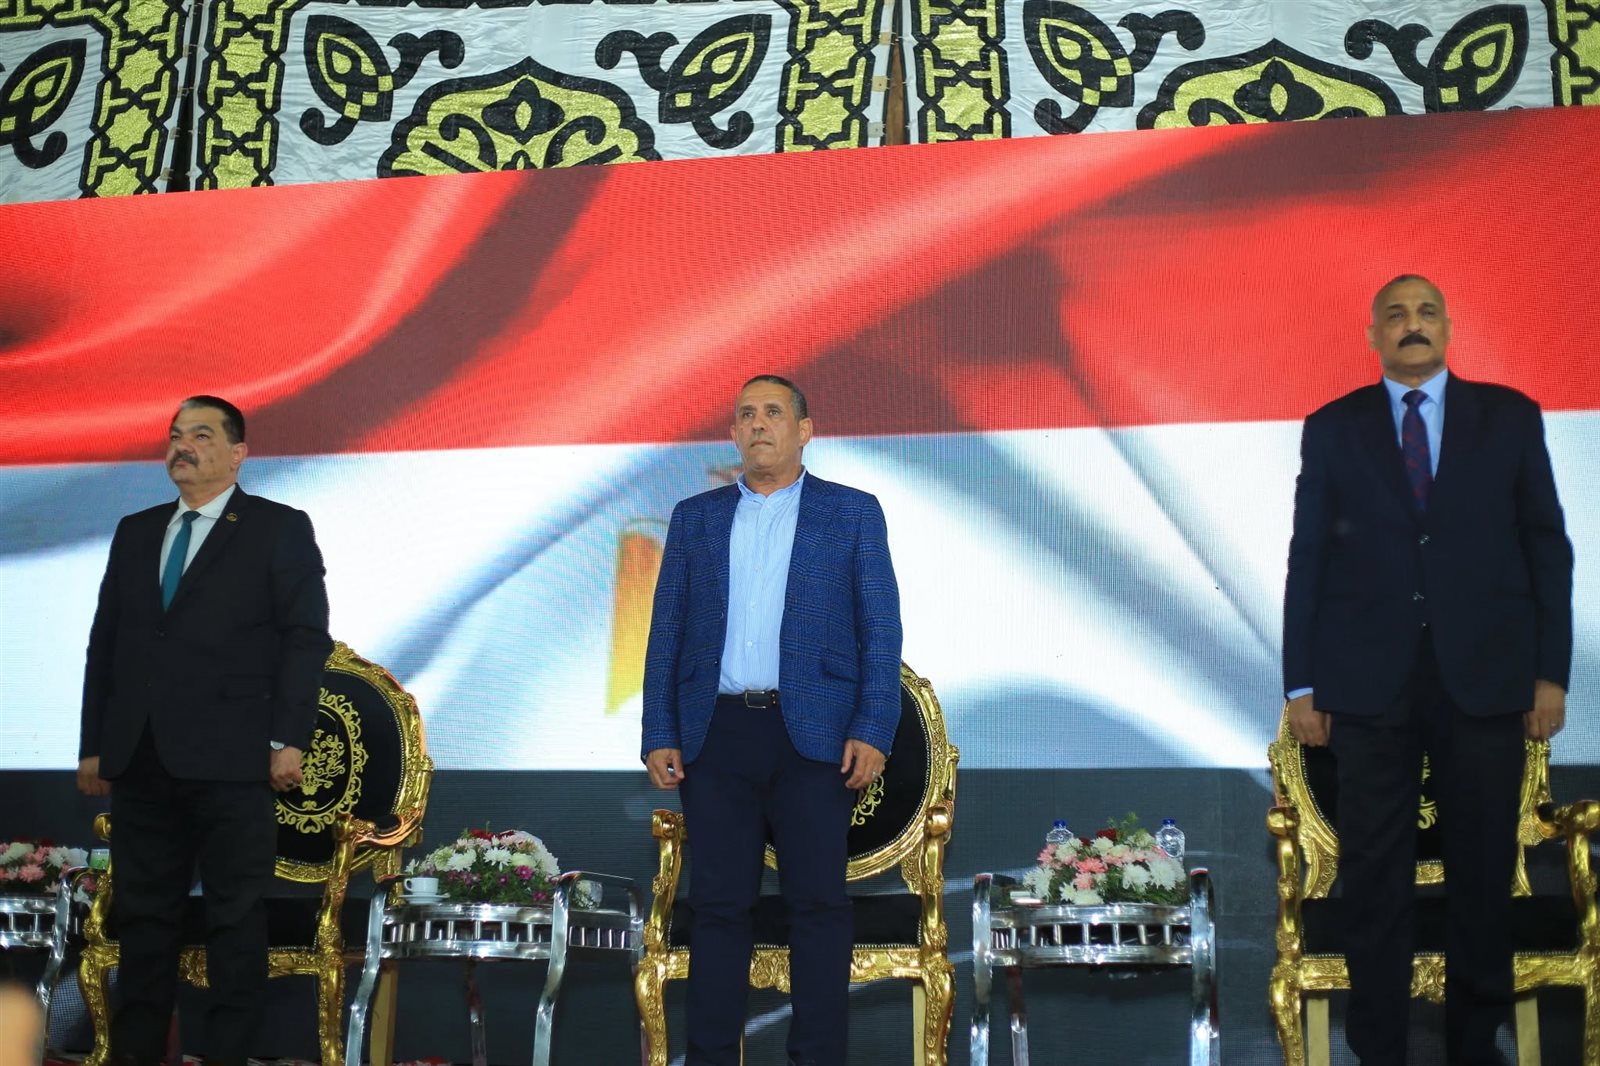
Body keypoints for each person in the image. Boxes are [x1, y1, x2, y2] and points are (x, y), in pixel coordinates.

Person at [1282, 276, 1573, 1065]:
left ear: (1448, 327)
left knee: (1483, 875)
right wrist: (1301, 684)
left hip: (1486, 681)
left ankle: (1475, 1049)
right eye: (1396, 315)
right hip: (1366, 688)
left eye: (1426, 312)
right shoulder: (1333, 427)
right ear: (1373, 335)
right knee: (1375, 879)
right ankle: (1379, 1050)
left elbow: (1546, 547)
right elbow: (1308, 558)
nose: (1412, 325)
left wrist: (1550, 675)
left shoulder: (1509, 418)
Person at [641, 374, 903, 1066]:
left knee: (818, 908)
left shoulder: (851, 513)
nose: (759, 424)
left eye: (774, 413)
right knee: (718, 909)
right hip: (717, 735)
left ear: (804, 430)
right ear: (733, 434)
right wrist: (659, 730)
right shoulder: (694, 518)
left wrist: (874, 727)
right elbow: (666, 633)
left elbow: (881, 631)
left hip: (814, 737)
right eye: (746, 415)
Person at [77, 396, 333, 1066]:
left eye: (200, 435)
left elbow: (304, 639)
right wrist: (94, 745)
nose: (181, 446)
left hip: (234, 760)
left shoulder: (277, 528)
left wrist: (289, 738)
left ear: (238, 453)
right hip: (140, 758)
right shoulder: (137, 530)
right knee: (143, 922)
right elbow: (107, 643)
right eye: (174, 435)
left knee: (233, 921)